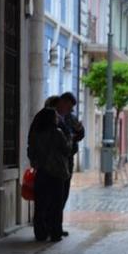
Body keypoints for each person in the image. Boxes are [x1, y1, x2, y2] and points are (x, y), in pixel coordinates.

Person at [27, 107, 72, 242]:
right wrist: (69, 137)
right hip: (56, 172)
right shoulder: (57, 133)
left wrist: (36, 163)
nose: (58, 118)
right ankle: (55, 233)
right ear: (51, 119)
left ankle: (40, 233)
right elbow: (67, 150)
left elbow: (30, 151)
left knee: (40, 204)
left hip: (41, 172)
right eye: (56, 117)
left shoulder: (35, 133)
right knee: (56, 205)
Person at [56, 92, 85, 235]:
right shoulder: (51, 116)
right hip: (55, 160)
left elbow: (80, 135)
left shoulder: (70, 118)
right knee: (54, 195)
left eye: (72, 107)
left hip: (68, 159)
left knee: (64, 193)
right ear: (62, 102)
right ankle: (50, 227)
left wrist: (79, 130)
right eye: (69, 106)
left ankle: (57, 226)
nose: (70, 109)